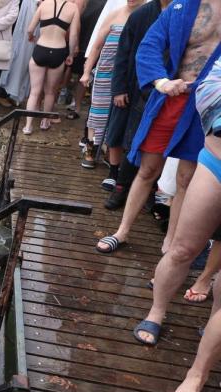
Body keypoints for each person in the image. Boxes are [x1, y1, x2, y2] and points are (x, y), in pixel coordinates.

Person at [95, 0, 221, 257]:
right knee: (148, 169)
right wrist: (160, 80)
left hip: (206, 106)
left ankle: (171, 243)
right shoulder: (184, 7)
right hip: (171, 98)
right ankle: (123, 230)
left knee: (186, 178)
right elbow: (150, 44)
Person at [166, 61, 221, 392]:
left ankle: (197, 375)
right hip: (217, 162)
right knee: (182, 248)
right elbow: (207, 90)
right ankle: (157, 311)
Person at [102, 0, 170, 208]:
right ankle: (120, 184)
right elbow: (123, 53)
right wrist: (119, 88)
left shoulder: (185, 13)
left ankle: (150, 189)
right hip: (133, 85)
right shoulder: (141, 14)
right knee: (123, 134)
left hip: (165, 89)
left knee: (153, 142)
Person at [79, 0, 141, 168]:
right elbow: (97, 46)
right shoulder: (116, 13)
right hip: (105, 71)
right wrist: (86, 72)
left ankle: (110, 149)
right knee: (98, 109)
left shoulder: (146, 15)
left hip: (128, 76)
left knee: (117, 115)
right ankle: (90, 148)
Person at [22, 0, 79, 134]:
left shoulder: (44, 4)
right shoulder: (73, 8)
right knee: (50, 92)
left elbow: (30, 29)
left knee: (34, 92)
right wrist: (70, 54)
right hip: (58, 51)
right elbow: (74, 35)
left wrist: (31, 37)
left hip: (41, 48)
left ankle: (28, 126)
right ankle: (45, 121)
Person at [64, 0, 106, 120]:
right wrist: (75, 42)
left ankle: (78, 107)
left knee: (85, 77)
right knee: (73, 73)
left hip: (94, 45)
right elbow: (76, 19)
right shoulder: (87, 2)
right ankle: (70, 101)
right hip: (81, 41)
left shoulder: (109, 4)